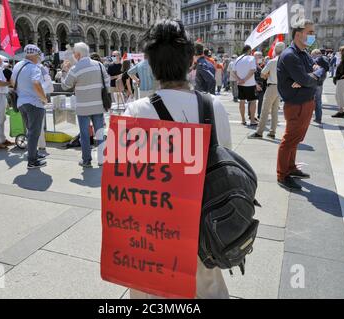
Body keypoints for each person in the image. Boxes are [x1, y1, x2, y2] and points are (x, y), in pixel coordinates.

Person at [124, 19, 231, 300]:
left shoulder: (135, 111)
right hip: (203, 233)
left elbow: (121, 177)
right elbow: (225, 168)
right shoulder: (213, 106)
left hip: (153, 235)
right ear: (191, 61)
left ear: (150, 63)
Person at [276, 19, 323, 190]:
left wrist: (312, 75)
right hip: (296, 104)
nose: (312, 35)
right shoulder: (290, 55)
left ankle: (291, 167)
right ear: (298, 34)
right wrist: (307, 78)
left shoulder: (304, 53)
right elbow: (305, 79)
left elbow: (320, 72)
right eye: (309, 32)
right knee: (289, 140)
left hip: (307, 102)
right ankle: (282, 174)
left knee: (296, 139)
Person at [61, 42, 109, 168]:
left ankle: (86, 160)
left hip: (83, 107)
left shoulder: (75, 69)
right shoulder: (99, 65)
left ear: (77, 54)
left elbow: (65, 86)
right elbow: (107, 81)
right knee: (99, 133)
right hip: (98, 105)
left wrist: (64, 71)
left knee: (85, 135)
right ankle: (101, 159)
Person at [11, 44, 48, 169]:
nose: (39, 58)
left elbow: (12, 82)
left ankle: (34, 154)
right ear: (34, 55)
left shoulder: (17, 65)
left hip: (21, 102)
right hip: (34, 103)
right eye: (38, 55)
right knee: (34, 133)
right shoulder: (34, 68)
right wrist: (44, 98)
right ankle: (32, 160)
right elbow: (36, 84)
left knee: (30, 130)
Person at [248, 42, 286, 139]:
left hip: (272, 86)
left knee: (265, 110)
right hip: (281, 87)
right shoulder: (285, 61)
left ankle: (259, 132)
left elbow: (262, 74)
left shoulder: (273, 61)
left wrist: (267, 75)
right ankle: (272, 132)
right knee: (274, 111)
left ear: (275, 50)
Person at [232, 45, 258, 126]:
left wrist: (239, 79)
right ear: (249, 51)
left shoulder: (237, 59)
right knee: (253, 101)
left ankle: (243, 120)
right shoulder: (251, 58)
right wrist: (244, 80)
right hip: (250, 84)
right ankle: (252, 120)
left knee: (242, 101)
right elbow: (252, 70)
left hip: (240, 84)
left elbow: (233, 72)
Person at [310, 49, 329, 124]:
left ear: (315, 54)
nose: (311, 56)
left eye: (312, 54)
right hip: (320, 83)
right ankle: (318, 118)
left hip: (314, 83)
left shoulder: (317, 60)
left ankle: (309, 116)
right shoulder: (324, 60)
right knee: (318, 101)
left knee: (311, 100)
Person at [253, 51, 266, 118]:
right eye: (259, 57)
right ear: (255, 57)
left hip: (261, 86)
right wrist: (256, 85)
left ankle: (259, 114)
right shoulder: (252, 65)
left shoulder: (260, 66)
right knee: (252, 101)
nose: (261, 58)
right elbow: (251, 77)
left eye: (261, 56)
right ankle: (251, 115)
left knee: (261, 100)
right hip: (253, 86)